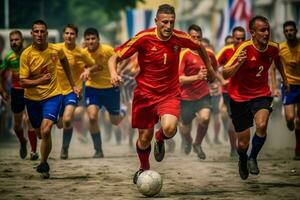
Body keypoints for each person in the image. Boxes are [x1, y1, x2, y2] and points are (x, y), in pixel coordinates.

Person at [108, 4, 216, 184]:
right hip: (144, 94)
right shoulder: (143, 38)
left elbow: (199, 47)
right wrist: (113, 73)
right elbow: (114, 57)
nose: (168, 26)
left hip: (169, 94)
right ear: (156, 21)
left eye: (171, 22)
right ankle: (144, 169)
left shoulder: (180, 37)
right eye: (164, 22)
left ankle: (160, 139)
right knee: (144, 138)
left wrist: (210, 69)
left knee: (170, 129)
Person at [223, 16, 288, 180]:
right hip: (239, 98)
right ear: (252, 33)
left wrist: (285, 79)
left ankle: (253, 157)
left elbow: (277, 60)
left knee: (262, 124)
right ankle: (243, 159)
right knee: (242, 144)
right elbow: (224, 72)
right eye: (262, 30)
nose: (266, 33)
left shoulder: (273, 47)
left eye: (268, 29)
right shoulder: (243, 48)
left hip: (261, 94)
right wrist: (239, 63)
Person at [19, 20, 79, 178]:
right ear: (32, 34)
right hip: (32, 99)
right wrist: (39, 81)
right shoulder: (26, 55)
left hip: (52, 96)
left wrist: (73, 84)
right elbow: (23, 82)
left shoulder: (55, 50)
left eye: (42, 31)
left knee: (46, 130)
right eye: (36, 31)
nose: (39, 34)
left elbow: (64, 61)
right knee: (39, 133)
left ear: (46, 34)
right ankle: (40, 151)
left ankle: (44, 163)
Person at [56, 24, 96, 159]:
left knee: (67, 120)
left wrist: (88, 70)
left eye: (72, 34)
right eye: (67, 33)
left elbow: (96, 65)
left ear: (76, 36)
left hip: (73, 91)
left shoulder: (81, 52)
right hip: (55, 91)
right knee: (60, 124)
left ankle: (65, 148)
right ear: (63, 35)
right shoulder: (56, 49)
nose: (69, 36)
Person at [83, 27, 125, 158]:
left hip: (110, 89)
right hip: (92, 89)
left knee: (115, 121)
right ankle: (98, 150)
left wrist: (118, 73)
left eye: (93, 38)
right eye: (88, 39)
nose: (91, 41)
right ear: (85, 41)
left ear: (98, 39)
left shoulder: (107, 50)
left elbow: (123, 58)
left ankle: (122, 111)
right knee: (92, 117)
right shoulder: (82, 53)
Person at [178, 24, 218, 159]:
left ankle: (197, 143)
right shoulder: (184, 54)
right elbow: (180, 79)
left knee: (205, 118)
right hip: (186, 97)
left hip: (203, 95)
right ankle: (188, 142)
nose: (195, 40)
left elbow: (214, 71)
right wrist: (197, 77)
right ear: (188, 38)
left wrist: (214, 81)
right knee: (184, 128)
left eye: (198, 37)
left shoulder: (210, 54)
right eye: (192, 37)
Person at [0, 30, 38, 160]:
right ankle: (23, 141)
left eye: (16, 40)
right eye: (11, 40)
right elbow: (1, 74)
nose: (14, 42)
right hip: (16, 92)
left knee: (28, 120)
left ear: (22, 41)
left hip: (30, 90)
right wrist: (3, 91)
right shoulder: (8, 57)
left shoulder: (29, 54)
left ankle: (33, 151)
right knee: (17, 126)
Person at [217, 26, 246, 157]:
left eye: (242, 38)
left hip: (247, 92)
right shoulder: (226, 50)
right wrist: (221, 79)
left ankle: (242, 146)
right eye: (237, 38)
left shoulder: (249, 49)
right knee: (231, 121)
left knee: (244, 122)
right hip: (228, 92)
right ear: (232, 38)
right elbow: (213, 65)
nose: (240, 41)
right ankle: (234, 148)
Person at [279, 20, 300, 160]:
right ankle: (290, 125)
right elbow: (274, 66)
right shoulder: (280, 48)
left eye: (291, 30)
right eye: (286, 31)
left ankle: (298, 149)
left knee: (299, 120)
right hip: (289, 86)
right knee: (290, 118)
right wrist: (274, 84)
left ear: (296, 31)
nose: (289, 33)